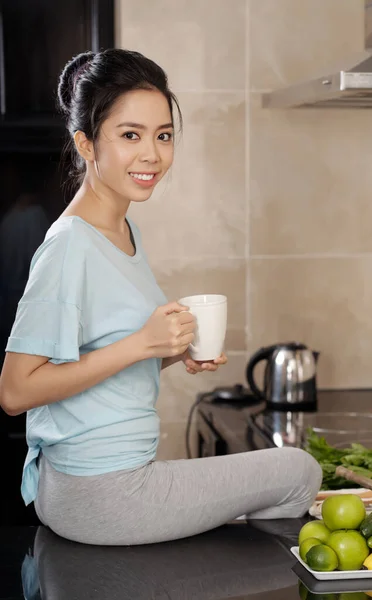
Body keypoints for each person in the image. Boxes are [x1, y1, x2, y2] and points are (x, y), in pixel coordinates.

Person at [0, 49, 322, 546]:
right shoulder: (69, 246)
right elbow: (15, 391)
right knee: (299, 471)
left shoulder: (121, 230)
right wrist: (141, 346)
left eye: (163, 135)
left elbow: (102, 358)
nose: (152, 154)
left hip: (105, 485)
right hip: (100, 492)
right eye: (130, 135)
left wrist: (170, 352)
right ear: (85, 144)